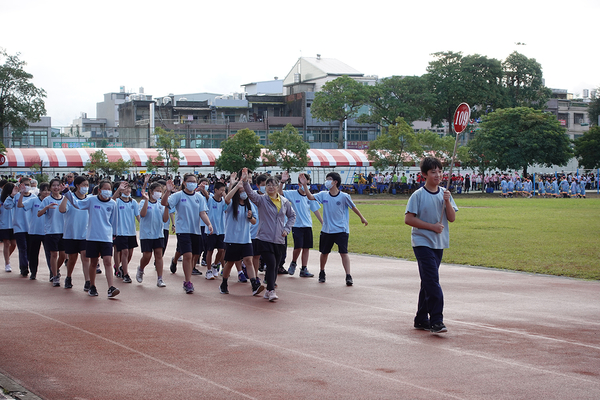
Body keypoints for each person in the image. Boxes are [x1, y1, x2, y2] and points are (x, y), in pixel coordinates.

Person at [404, 156, 458, 334]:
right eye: (433, 172)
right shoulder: (418, 195)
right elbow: (409, 219)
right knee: (433, 281)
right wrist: (431, 227)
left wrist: (448, 201)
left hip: (439, 243)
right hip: (422, 242)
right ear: (424, 175)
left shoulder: (445, 193)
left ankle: (421, 318)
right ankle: (436, 320)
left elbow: (451, 218)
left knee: (427, 281)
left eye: (440, 171)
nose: (438, 175)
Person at [301, 172, 368, 286]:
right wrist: (305, 185)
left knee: (344, 252)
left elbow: (353, 207)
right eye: (326, 179)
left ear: (335, 182)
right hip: (327, 230)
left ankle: (348, 275)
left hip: (341, 230)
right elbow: (310, 197)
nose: (327, 181)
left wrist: (362, 218)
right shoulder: (323, 195)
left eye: (329, 179)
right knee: (324, 253)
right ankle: (322, 272)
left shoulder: (344, 196)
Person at [241, 168, 295, 301]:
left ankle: (268, 290)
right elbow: (250, 194)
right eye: (268, 184)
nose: (271, 187)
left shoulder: (284, 201)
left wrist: (287, 229)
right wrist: (245, 181)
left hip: (279, 239)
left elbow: (292, 216)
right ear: (265, 187)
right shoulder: (261, 200)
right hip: (264, 238)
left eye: (273, 184)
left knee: (275, 266)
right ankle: (271, 290)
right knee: (270, 263)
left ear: (277, 186)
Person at [64, 180, 120, 298]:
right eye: (105, 189)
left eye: (109, 189)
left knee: (108, 262)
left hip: (106, 237)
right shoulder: (91, 200)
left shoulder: (113, 204)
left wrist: (114, 234)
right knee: (93, 262)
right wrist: (66, 193)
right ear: (99, 190)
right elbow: (77, 204)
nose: (107, 191)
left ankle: (111, 287)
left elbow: (114, 220)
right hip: (92, 237)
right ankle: (92, 286)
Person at [162, 174, 213, 294]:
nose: (192, 183)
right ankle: (187, 281)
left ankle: (175, 261)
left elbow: (202, 213)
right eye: (189, 181)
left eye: (194, 181)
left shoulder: (199, 197)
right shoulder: (178, 195)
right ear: (184, 183)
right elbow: (165, 203)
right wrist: (168, 192)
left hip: (195, 230)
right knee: (188, 255)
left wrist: (209, 224)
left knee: (195, 255)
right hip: (183, 230)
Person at [218, 173, 264, 296]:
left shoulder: (249, 205)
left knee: (248, 260)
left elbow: (254, 220)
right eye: (241, 190)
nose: (244, 192)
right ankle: (224, 282)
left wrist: (250, 218)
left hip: (246, 239)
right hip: (233, 239)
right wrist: (235, 186)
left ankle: (254, 284)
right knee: (230, 263)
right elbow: (227, 199)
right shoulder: (231, 204)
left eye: (245, 190)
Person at [279, 171, 322, 278]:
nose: (306, 186)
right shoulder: (293, 194)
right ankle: (293, 262)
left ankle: (304, 268)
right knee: (298, 247)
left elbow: (315, 210)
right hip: (296, 226)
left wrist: (323, 223)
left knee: (306, 248)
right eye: (304, 184)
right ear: (299, 184)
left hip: (307, 226)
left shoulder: (309, 196)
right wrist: (282, 181)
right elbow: (280, 193)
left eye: (307, 184)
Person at [59, 176, 91, 290]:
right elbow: (62, 209)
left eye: (87, 185)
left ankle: (88, 281)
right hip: (71, 234)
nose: (85, 187)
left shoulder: (89, 199)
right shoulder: (70, 198)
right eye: (83, 185)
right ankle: (68, 277)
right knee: (72, 259)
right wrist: (66, 195)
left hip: (85, 234)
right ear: (77, 186)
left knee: (85, 257)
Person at [136, 182, 170, 287]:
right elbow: (143, 214)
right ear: (150, 191)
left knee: (158, 255)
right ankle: (141, 269)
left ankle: (160, 278)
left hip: (158, 234)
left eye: (160, 191)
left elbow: (165, 220)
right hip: (146, 234)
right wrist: (146, 200)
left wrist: (167, 207)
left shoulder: (161, 204)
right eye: (157, 191)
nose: (159, 193)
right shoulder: (142, 202)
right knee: (147, 255)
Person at [38, 179, 67, 286]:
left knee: (63, 255)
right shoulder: (46, 200)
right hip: (51, 231)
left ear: (60, 187)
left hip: (63, 231)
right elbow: (39, 214)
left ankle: (55, 270)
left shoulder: (65, 198)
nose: (55, 187)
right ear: (50, 188)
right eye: (53, 185)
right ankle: (55, 276)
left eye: (57, 185)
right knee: (53, 254)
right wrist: (46, 207)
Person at [5, 178, 34, 277]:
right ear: (20, 185)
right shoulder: (16, 197)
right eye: (24, 184)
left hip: (31, 228)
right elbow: (7, 205)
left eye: (28, 184)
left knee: (30, 249)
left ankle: (32, 267)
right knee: (22, 248)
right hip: (19, 227)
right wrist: (12, 195)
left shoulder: (33, 197)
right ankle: (24, 267)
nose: (26, 186)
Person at [112, 181, 140, 283]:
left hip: (131, 232)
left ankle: (121, 267)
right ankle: (125, 274)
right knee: (124, 251)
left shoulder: (133, 203)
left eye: (128, 188)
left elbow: (138, 216)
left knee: (130, 253)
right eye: (125, 188)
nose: (127, 190)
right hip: (120, 232)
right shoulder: (117, 201)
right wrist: (119, 189)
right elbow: (111, 200)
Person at [23, 182, 52, 280]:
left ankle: (53, 272)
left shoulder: (52, 201)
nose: (46, 192)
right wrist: (21, 194)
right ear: (40, 191)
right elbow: (21, 206)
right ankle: (33, 272)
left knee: (50, 254)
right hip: (34, 231)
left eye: (48, 190)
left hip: (47, 232)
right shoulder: (34, 200)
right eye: (44, 190)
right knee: (33, 253)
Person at [202, 181, 227, 280]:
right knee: (210, 251)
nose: (222, 192)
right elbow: (206, 195)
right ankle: (208, 270)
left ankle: (215, 264)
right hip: (211, 230)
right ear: (215, 190)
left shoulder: (224, 201)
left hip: (221, 230)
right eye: (221, 190)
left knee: (221, 250)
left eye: (224, 190)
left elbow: (228, 204)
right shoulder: (210, 200)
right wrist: (203, 188)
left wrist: (225, 196)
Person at [0, 181, 17, 272]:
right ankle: (7, 263)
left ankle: (7, 257)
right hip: (4, 224)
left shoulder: (15, 198)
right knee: (6, 243)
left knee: (13, 244)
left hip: (14, 224)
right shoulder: (1, 198)